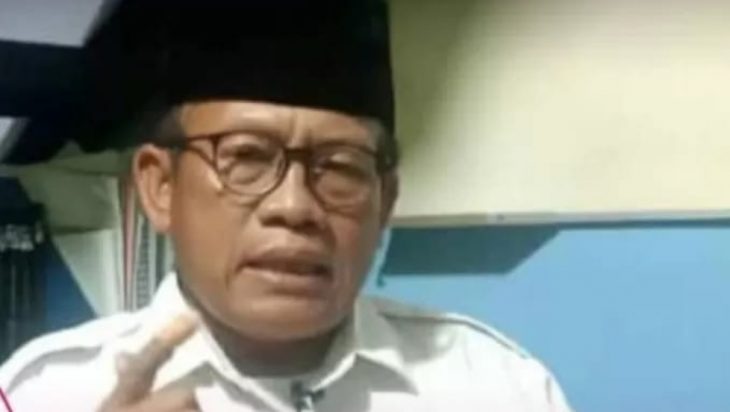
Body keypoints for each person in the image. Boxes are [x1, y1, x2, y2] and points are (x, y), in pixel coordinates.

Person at [0, 1, 572, 411]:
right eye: (246, 157)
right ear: (160, 187)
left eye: (341, 166)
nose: (295, 208)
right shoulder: (46, 393)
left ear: (386, 202)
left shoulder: (496, 387)